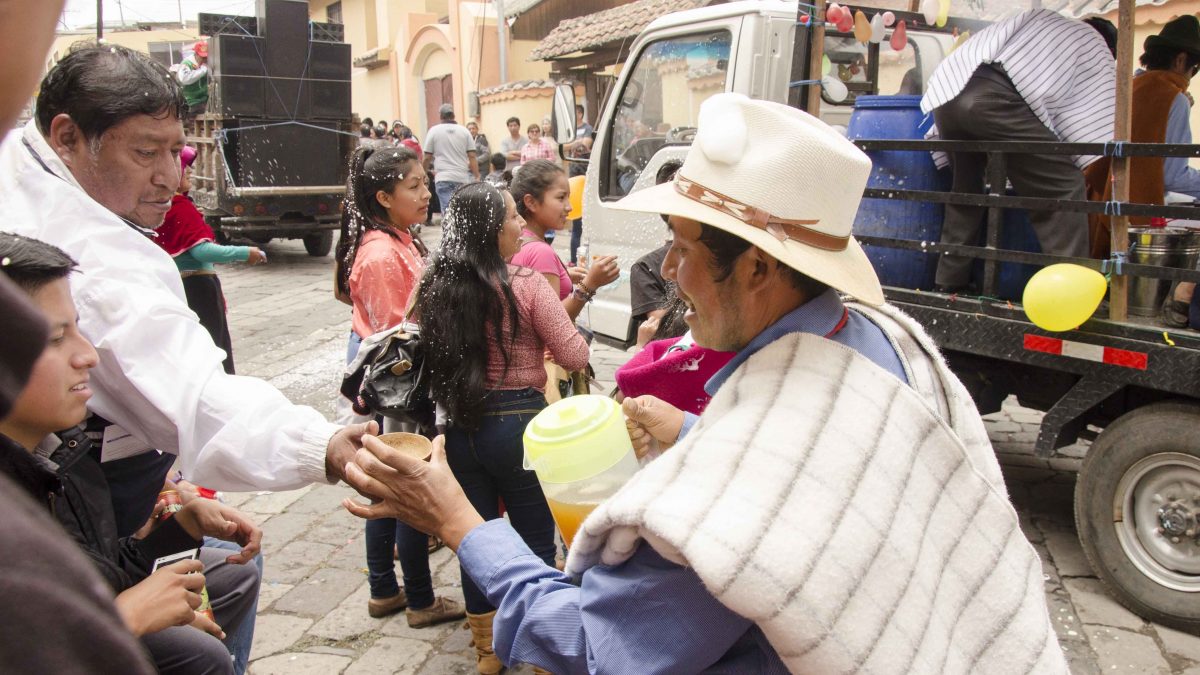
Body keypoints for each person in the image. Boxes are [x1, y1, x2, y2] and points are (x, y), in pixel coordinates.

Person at [341, 93, 1067, 673]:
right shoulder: (886, 339)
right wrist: (692, 431)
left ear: (758, 268)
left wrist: (461, 523)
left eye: (684, 251)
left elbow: (599, 646)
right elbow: (817, 484)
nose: (673, 275)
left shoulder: (748, 477)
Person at [0, 43, 372, 494]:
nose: (171, 177)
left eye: (176, 151)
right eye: (145, 152)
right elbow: (188, 398)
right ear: (67, 138)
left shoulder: (26, 170)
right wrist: (322, 445)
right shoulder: (79, 248)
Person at [0, 233, 262, 675]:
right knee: (200, 655)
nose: (87, 356)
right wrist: (123, 618)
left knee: (232, 576)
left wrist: (181, 528)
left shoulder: (61, 454)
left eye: (80, 330)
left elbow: (100, 571)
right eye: (56, 338)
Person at [407, 182, 589, 674]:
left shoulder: (433, 285)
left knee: (476, 538)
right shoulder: (526, 284)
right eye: (512, 217)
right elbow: (574, 355)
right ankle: (540, 649)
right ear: (492, 228)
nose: (520, 226)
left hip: (459, 429)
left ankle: (487, 648)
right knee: (533, 537)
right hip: (520, 428)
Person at [334, 144, 466, 627]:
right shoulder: (382, 254)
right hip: (403, 389)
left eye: (425, 182)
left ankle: (386, 590)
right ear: (385, 197)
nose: (426, 192)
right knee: (409, 485)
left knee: (388, 487)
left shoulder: (401, 239)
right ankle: (419, 599)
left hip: (405, 388)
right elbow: (401, 339)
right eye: (414, 186)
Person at [921, 8, 1115, 292]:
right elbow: (1086, 126)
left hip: (947, 93)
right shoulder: (1095, 45)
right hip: (993, 97)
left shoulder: (1043, 24)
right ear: (1111, 47)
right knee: (1064, 186)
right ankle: (1071, 293)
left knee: (967, 192)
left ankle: (949, 283)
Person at [154, 145, 266, 375]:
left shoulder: (160, 206)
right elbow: (202, 252)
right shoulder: (180, 207)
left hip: (180, 286)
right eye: (186, 169)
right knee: (214, 348)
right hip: (199, 288)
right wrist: (245, 253)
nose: (191, 173)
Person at [509, 159, 618, 323]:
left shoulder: (517, 241)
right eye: (561, 198)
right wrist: (589, 284)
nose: (569, 207)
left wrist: (563, 274)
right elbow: (552, 324)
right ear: (531, 202)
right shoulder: (540, 252)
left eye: (569, 198)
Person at [424, 103, 479, 214]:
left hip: (443, 177)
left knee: (448, 211)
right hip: (462, 178)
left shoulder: (434, 131)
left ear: (441, 116)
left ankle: (450, 231)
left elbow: (427, 157)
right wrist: (477, 175)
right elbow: (472, 156)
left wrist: (423, 174)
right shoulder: (464, 131)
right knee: (462, 212)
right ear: (453, 115)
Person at [173, 41, 209, 118]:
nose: (204, 59)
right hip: (190, 101)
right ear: (195, 54)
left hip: (204, 100)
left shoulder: (206, 64)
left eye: (206, 57)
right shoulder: (187, 63)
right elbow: (185, 79)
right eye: (202, 57)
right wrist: (203, 70)